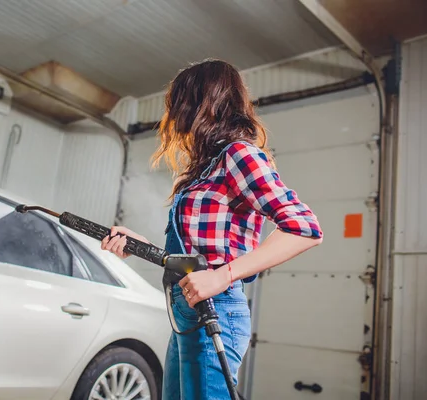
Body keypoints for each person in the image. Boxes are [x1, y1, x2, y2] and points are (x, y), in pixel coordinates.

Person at [101, 59, 323, 400]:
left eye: (180, 102)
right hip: (187, 316)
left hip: (215, 311)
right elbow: (194, 258)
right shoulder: (205, 167)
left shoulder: (239, 154)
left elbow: (304, 229)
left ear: (204, 102)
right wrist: (141, 245)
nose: (174, 114)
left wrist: (223, 275)